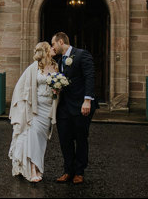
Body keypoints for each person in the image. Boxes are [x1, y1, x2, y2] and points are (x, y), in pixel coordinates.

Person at [51, 32, 98, 185]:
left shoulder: (82, 54)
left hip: (80, 105)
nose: (53, 47)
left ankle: (79, 172)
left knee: (80, 138)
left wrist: (87, 100)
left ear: (60, 41)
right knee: (65, 139)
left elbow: (90, 77)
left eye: (53, 44)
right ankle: (67, 171)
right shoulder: (59, 60)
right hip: (64, 106)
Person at [8, 42, 59, 183]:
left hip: (48, 108)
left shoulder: (55, 66)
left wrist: (57, 90)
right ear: (46, 51)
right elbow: (21, 86)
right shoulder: (34, 67)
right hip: (36, 108)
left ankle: (38, 167)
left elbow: (57, 85)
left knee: (42, 140)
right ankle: (31, 169)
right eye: (50, 47)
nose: (53, 48)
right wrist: (25, 103)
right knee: (33, 137)